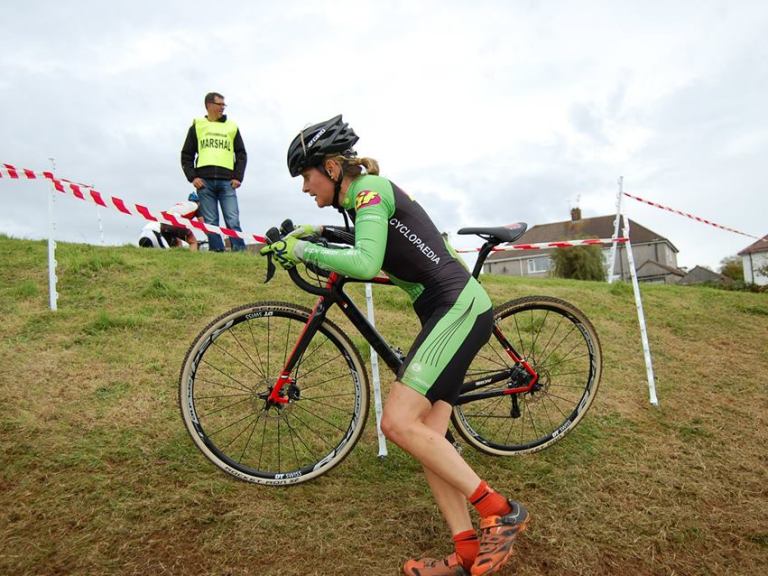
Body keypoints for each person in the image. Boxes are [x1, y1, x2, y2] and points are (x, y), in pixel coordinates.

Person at [261, 115, 529, 576]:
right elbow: (368, 243)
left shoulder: (370, 190)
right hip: (447, 310)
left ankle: (502, 512)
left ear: (329, 167)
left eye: (305, 178)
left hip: (457, 308)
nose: (305, 189)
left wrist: (304, 250)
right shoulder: (360, 201)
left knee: (398, 422)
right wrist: (314, 235)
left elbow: (365, 260)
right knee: (428, 436)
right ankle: (466, 553)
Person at [180, 91, 247, 252]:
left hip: (227, 181)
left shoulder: (231, 127)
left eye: (224, 105)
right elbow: (186, 155)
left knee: (232, 219)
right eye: (220, 104)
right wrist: (192, 177)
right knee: (211, 222)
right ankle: (217, 251)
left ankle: (239, 252)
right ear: (209, 105)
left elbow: (241, 154)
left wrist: (238, 176)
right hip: (204, 182)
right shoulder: (198, 126)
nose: (223, 108)